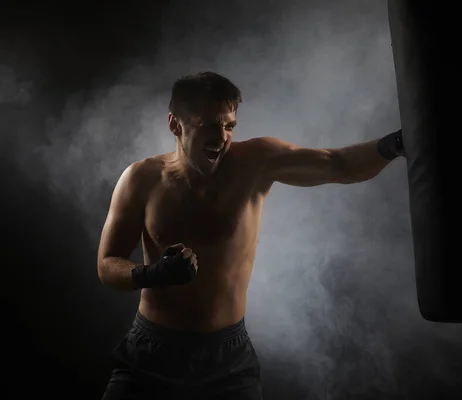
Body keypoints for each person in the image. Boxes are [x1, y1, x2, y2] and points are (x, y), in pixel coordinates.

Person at [98, 71, 404, 399]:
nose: (221, 138)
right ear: (176, 124)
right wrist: (152, 274)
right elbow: (107, 265)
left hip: (226, 361)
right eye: (209, 125)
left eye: (229, 126)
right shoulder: (140, 179)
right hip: (151, 353)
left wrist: (394, 144)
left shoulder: (255, 163)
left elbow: (338, 164)